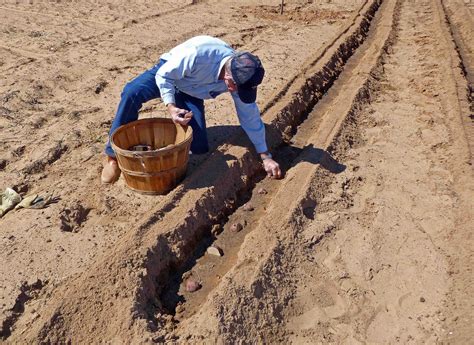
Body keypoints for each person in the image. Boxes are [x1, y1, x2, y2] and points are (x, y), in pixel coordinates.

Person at [101, 35, 281, 184]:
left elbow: (248, 114)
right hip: (169, 75)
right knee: (132, 92)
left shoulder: (240, 77)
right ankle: (111, 157)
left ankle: (169, 140)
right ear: (228, 72)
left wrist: (265, 155)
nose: (233, 90)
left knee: (199, 147)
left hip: (192, 91)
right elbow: (164, 75)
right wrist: (171, 107)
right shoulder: (199, 54)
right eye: (233, 85)